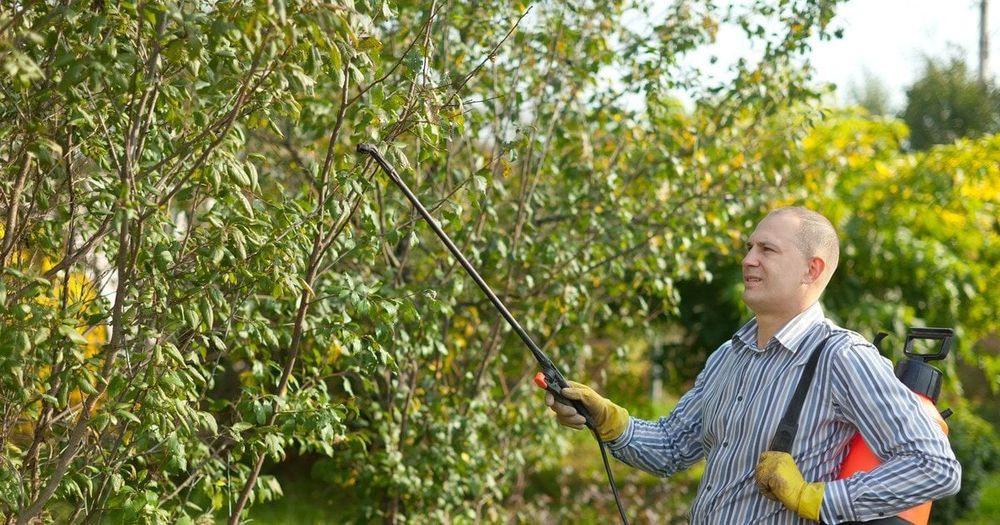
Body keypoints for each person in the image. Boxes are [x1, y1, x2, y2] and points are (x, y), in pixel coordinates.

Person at [546, 206, 961, 523]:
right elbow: (672, 448)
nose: (748, 259)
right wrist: (610, 421)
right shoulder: (729, 356)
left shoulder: (842, 357)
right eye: (749, 247)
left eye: (767, 249)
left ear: (811, 269)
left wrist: (816, 498)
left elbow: (936, 467)